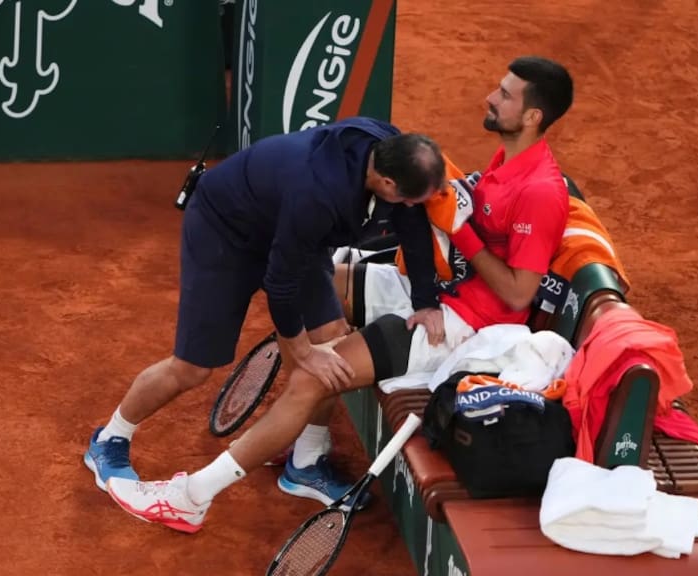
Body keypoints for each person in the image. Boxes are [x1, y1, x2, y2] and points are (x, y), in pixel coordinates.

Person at [105, 56, 575, 534]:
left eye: (505, 94)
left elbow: (517, 293)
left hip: (466, 322)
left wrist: (436, 278)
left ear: (533, 116)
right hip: (234, 232)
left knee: (314, 375)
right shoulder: (496, 162)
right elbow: (285, 279)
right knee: (309, 328)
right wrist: (302, 346)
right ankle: (299, 455)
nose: (490, 98)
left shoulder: (536, 189)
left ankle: (193, 497)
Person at [84, 116, 447, 505]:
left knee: (333, 343)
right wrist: (303, 352)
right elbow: (280, 284)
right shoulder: (318, 193)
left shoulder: (390, 149)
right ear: (387, 183)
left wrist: (425, 301)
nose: (414, 207)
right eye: (410, 198)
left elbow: (412, 223)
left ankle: (306, 463)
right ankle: (110, 439)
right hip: (225, 233)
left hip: (292, 232)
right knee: (192, 369)